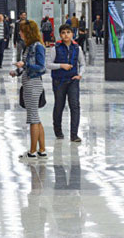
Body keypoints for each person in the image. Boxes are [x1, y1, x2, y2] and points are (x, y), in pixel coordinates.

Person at [11, 20, 47, 159]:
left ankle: (32, 152)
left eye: (22, 31)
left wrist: (24, 64)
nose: (19, 33)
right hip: (28, 83)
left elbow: (41, 67)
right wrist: (17, 71)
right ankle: (42, 149)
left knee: (32, 118)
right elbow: (26, 66)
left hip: (33, 85)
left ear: (28, 32)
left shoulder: (38, 47)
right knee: (36, 118)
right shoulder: (28, 46)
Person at [47, 25, 85, 142]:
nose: (66, 35)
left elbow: (82, 63)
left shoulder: (77, 48)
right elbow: (48, 64)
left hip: (73, 80)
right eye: (63, 33)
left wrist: (80, 75)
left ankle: (74, 134)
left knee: (75, 106)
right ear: (60, 35)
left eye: (68, 32)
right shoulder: (56, 48)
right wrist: (61, 65)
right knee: (59, 105)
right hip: (59, 81)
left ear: (72, 34)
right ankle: (58, 131)